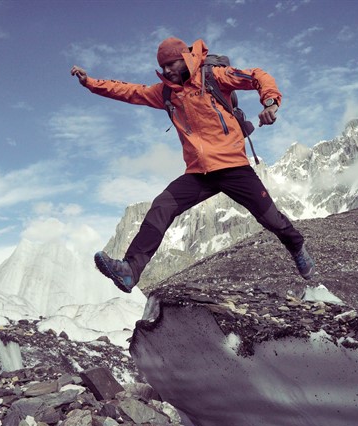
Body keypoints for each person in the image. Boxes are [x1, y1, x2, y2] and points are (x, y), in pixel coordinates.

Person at [70, 37, 316, 293]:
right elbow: (130, 92)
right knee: (162, 206)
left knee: (272, 220)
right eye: (162, 66)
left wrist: (270, 103)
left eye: (170, 64)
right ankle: (131, 270)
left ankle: (296, 246)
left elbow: (257, 75)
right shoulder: (165, 93)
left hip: (233, 166)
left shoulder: (215, 77)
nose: (166, 71)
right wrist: (90, 83)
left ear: (185, 59)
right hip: (199, 173)